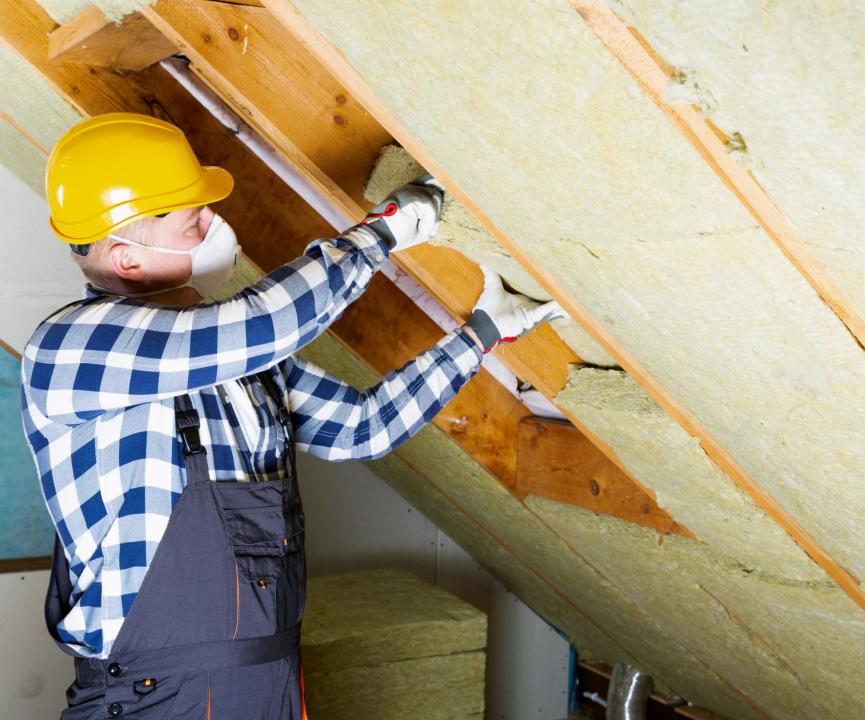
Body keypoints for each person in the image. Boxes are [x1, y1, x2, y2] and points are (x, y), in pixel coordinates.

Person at [21, 112, 562, 719]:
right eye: (190, 218)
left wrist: (481, 335)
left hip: (266, 679)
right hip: (156, 696)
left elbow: (361, 428)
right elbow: (265, 323)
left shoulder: (234, 357)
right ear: (127, 260)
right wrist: (382, 234)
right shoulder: (72, 347)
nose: (212, 225)